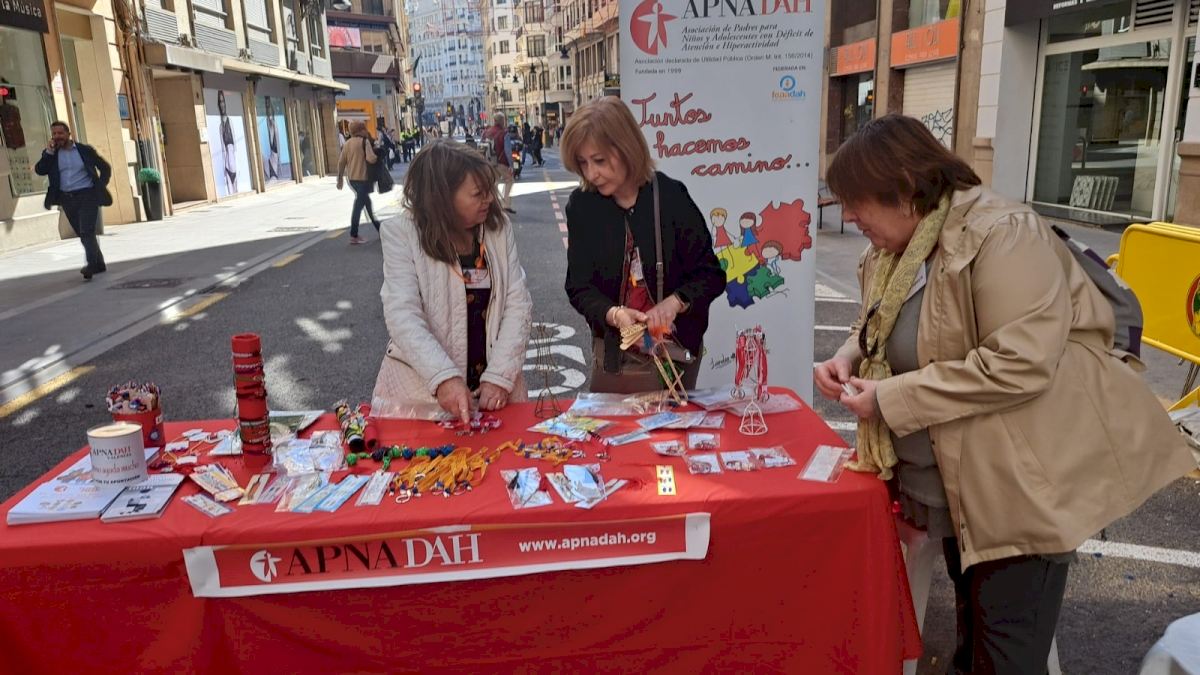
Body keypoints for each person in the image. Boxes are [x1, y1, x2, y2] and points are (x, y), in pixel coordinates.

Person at [814, 114, 1195, 674]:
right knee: (976, 633)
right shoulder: (897, 249)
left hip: (1019, 483)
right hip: (957, 483)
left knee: (1008, 647)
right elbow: (878, 323)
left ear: (903, 189)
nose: (847, 216)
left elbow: (1018, 363)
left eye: (855, 201)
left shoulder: (1003, 233)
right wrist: (848, 353)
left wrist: (889, 399)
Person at [561, 96, 725, 393]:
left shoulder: (671, 197)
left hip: (675, 356)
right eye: (583, 163)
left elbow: (711, 275)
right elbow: (578, 286)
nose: (591, 174)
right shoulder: (582, 206)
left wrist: (675, 302)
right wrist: (614, 314)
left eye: (599, 160)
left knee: (673, 423)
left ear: (627, 149)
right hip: (616, 358)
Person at [372, 139, 532, 423]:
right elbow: (403, 315)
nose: (490, 199)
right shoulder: (401, 233)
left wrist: (500, 376)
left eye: (490, 189)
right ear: (442, 198)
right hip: (422, 396)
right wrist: (443, 377)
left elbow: (517, 303)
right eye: (478, 194)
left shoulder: (497, 229)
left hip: (495, 393)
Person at [34, 121, 112, 281]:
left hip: (87, 195)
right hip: (67, 199)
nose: (57, 137)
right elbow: (40, 170)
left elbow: (105, 167)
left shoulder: (84, 150)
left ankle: (91, 265)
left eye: (60, 133)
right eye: (54, 134)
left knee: (86, 231)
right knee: (82, 233)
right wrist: (48, 152)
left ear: (68, 134)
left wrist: (99, 186)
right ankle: (99, 263)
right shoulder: (51, 154)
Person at [336, 121, 381, 245]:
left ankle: (380, 229)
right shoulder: (364, 142)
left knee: (367, 204)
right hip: (363, 178)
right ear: (361, 130)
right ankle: (354, 234)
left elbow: (341, 162)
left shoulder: (347, 144)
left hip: (352, 179)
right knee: (359, 206)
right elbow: (371, 158)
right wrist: (377, 154)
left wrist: (340, 179)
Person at [481, 112, 515, 214]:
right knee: (509, 180)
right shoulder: (504, 133)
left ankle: (494, 204)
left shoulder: (486, 132)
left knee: (494, 182)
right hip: (501, 162)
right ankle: (506, 204)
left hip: (489, 162)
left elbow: (481, 146)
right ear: (502, 121)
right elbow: (508, 150)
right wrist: (511, 165)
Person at [217, 90, 238, 194]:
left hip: (234, 166)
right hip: (227, 166)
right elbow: (223, 150)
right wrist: (224, 169)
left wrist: (238, 167)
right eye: (220, 102)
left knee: (236, 191)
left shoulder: (231, 122)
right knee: (231, 193)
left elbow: (235, 147)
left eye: (223, 101)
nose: (222, 104)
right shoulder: (221, 127)